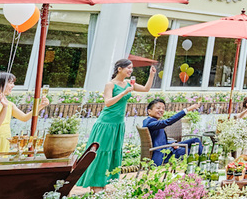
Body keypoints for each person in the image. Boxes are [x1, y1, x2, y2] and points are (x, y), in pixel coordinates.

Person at [76, 58, 158, 189]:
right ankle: (96, 185)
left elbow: (146, 89)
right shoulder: (111, 85)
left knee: (113, 152)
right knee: (101, 152)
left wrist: (152, 75)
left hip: (118, 124)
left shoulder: (128, 83)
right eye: (128, 68)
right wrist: (125, 93)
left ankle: (106, 182)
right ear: (119, 69)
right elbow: (107, 102)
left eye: (132, 68)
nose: (131, 70)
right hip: (106, 123)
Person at [0, 72, 48, 156]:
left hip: (4, 145)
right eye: (10, 83)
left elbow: (24, 118)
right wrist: (4, 107)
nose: (13, 86)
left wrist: (41, 106)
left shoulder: (9, 104)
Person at [144, 97, 202, 164]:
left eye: (163, 108)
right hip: (166, 154)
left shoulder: (149, 121)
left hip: (167, 147)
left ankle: (203, 163)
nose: (161, 110)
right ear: (149, 111)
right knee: (193, 151)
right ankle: (204, 164)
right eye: (158, 108)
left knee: (195, 140)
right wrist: (188, 109)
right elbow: (168, 122)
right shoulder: (150, 123)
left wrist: (171, 144)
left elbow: (158, 140)